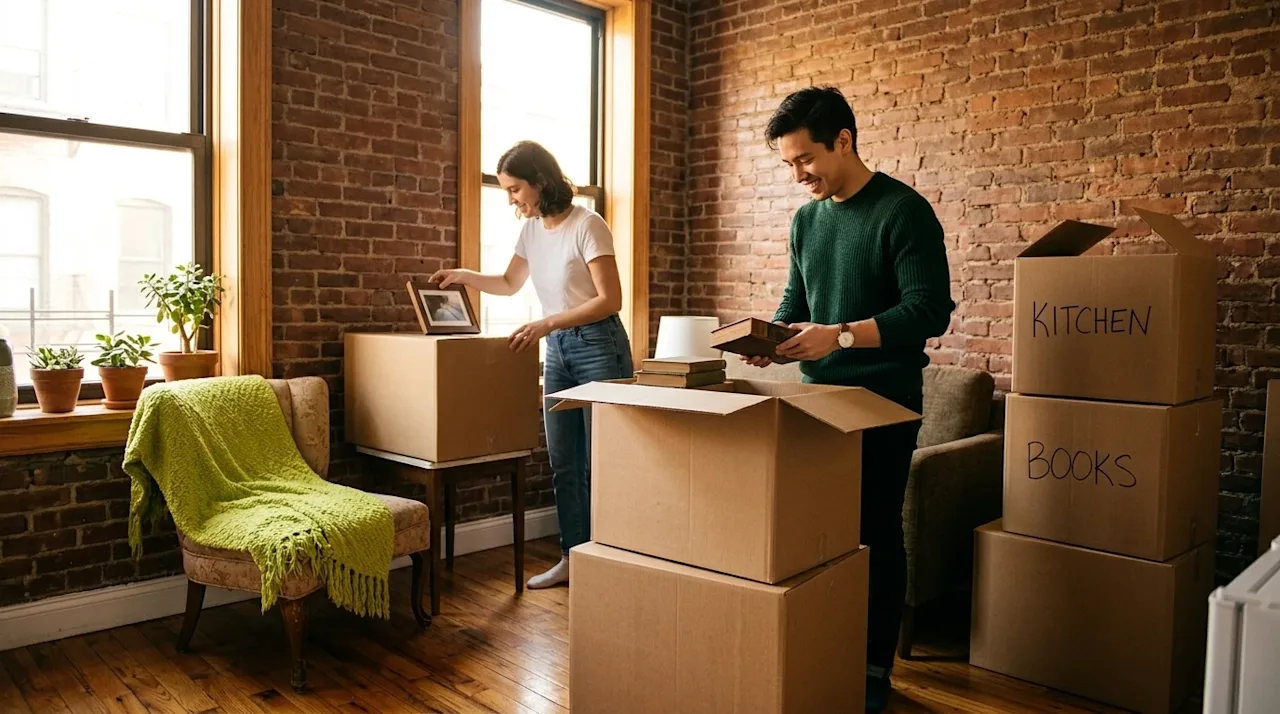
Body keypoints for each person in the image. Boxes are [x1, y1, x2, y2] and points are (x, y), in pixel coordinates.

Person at [745, 86, 955, 713]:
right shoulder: (807, 221)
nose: (797, 176)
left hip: (885, 399)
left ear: (844, 140)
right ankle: (823, 648)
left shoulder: (903, 211)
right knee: (822, 535)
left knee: (874, 532)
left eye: (805, 159)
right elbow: (798, 306)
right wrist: (773, 340)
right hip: (818, 402)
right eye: (787, 165)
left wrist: (838, 334)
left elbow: (929, 311)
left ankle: (870, 673)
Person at [430, 140, 633, 589]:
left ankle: (614, 560)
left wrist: (547, 322)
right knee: (563, 461)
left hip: (600, 346)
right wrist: (464, 276)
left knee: (606, 461)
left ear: (541, 181)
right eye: (506, 191)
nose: (512, 200)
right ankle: (573, 558)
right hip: (558, 349)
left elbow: (610, 300)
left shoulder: (588, 224)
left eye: (515, 189)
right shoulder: (532, 231)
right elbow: (508, 282)